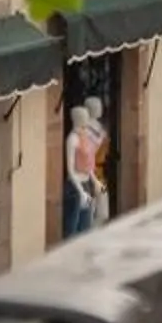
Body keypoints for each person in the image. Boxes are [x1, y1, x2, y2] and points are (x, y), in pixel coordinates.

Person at [62, 100, 106, 236]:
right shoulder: (72, 139)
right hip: (75, 186)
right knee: (72, 227)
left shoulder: (85, 136)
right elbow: (70, 169)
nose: (87, 120)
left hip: (86, 183)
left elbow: (88, 164)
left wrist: (95, 181)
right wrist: (80, 191)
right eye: (84, 117)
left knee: (86, 225)